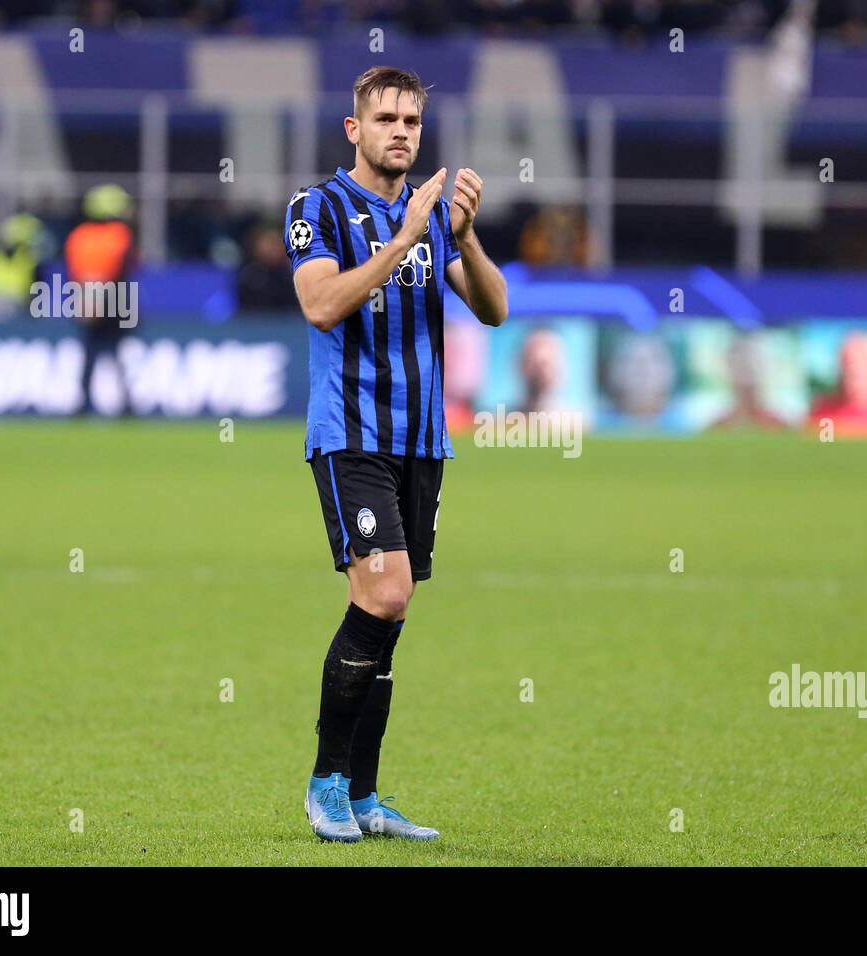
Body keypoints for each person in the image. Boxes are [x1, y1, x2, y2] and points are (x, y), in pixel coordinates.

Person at [283, 66, 508, 843]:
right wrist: (405, 238)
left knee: (391, 611)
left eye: (411, 120)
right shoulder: (317, 207)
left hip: (421, 441)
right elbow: (319, 305)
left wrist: (465, 237)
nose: (401, 132)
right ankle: (324, 786)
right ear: (355, 128)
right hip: (351, 433)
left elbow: (495, 309)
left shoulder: (434, 217)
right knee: (383, 596)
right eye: (386, 119)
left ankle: (367, 796)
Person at [66, 183, 136, 414]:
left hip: (88, 300)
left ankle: (83, 402)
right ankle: (125, 403)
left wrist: (87, 300)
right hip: (114, 302)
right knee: (116, 353)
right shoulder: (120, 235)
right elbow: (124, 268)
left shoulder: (78, 235)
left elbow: (77, 272)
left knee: (90, 353)